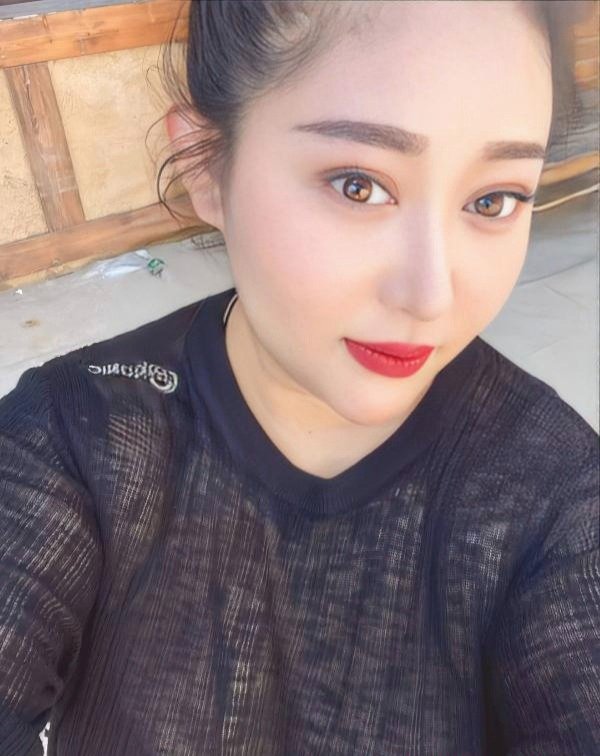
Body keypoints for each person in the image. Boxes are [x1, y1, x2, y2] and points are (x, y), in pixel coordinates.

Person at [1, 1, 598, 753]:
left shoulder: (558, 495)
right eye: (358, 185)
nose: (431, 297)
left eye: (493, 200)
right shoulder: (73, 437)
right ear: (206, 167)